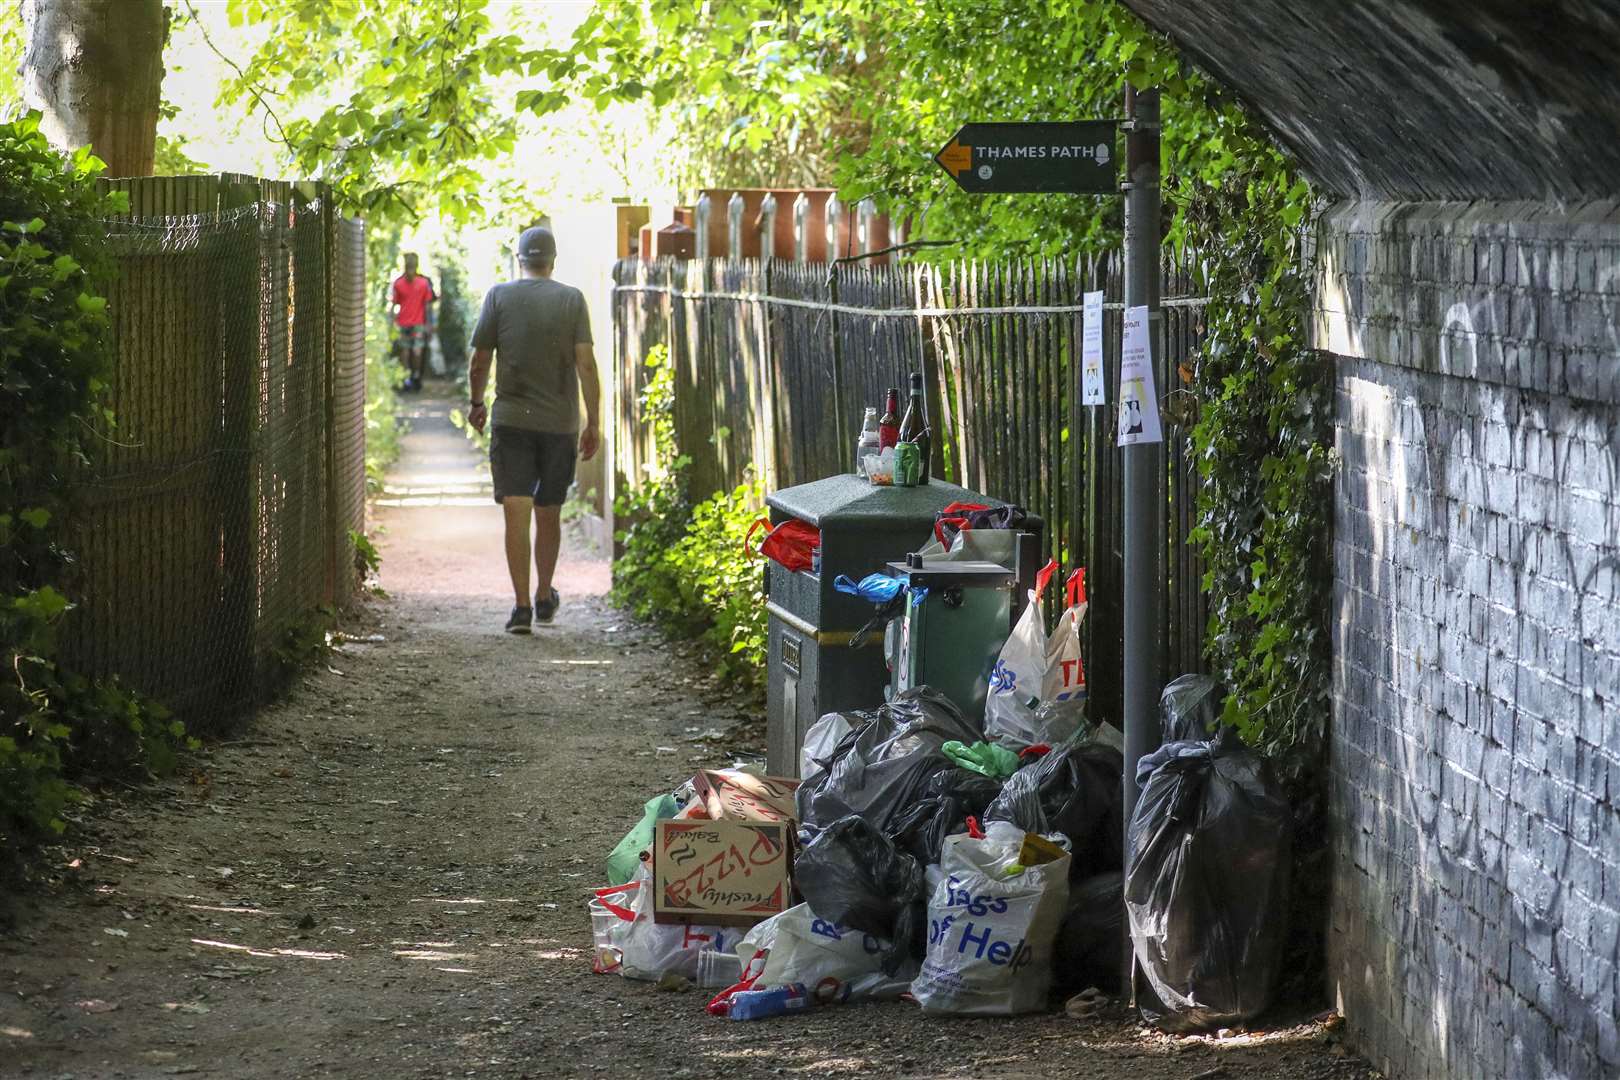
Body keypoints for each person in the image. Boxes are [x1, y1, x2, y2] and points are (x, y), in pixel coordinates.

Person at [467, 226, 601, 634]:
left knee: (516, 512)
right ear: (553, 261)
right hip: (560, 426)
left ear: (519, 259)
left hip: (511, 423)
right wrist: (592, 420)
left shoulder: (498, 296)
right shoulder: (571, 300)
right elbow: (587, 366)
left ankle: (522, 607)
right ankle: (545, 594)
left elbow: (479, 361)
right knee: (549, 512)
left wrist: (476, 404)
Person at [390, 252, 437, 391]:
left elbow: (428, 305)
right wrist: (392, 323)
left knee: (417, 352)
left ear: (416, 267)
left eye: (412, 266)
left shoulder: (423, 283)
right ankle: (406, 379)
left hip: (418, 324)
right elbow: (394, 304)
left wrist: (429, 324)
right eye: (407, 266)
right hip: (403, 323)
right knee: (404, 352)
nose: (409, 269)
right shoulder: (398, 283)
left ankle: (416, 376)